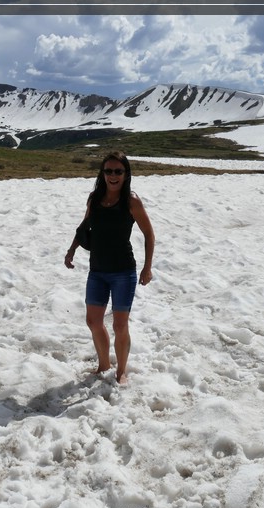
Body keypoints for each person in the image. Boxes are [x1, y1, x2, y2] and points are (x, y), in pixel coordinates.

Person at [64, 151, 155, 384]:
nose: (113, 176)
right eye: (108, 171)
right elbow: (85, 225)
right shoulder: (95, 198)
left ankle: (121, 370)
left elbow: (148, 233)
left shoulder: (131, 202)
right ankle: (103, 363)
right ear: (102, 173)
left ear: (126, 174)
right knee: (93, 322)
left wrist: (147, 268)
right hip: (97, 271)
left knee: (119, 324)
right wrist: (72, 248)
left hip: (123, 271)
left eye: (118, 171)